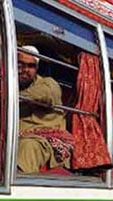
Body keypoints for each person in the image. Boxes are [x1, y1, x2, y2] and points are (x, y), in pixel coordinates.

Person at [16, 46, 71, 174]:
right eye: (20, 64)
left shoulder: (48, 84)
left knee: (28, 146)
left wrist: (10, 95)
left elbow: (43, 94)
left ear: (37, 68)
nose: (25, 70)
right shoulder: (8, 82)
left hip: (43, 139)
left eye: (31, 66)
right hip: (13, 136)